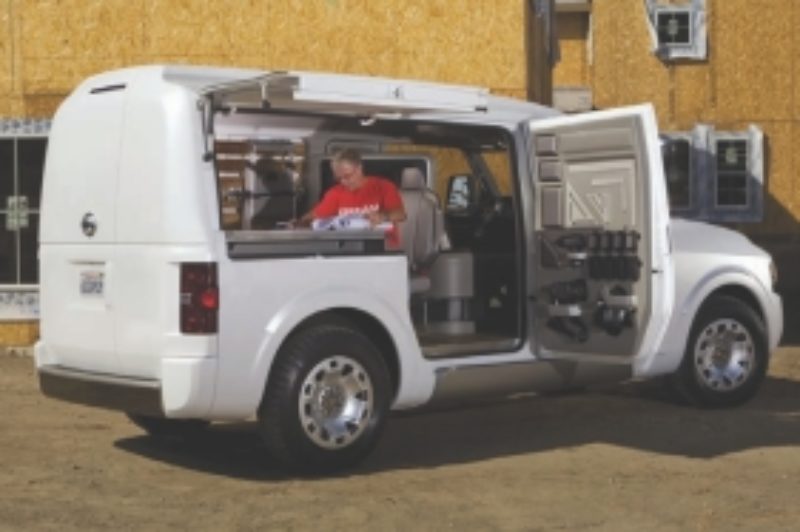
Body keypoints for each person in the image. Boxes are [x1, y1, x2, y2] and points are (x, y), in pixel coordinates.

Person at [295, 149, 407, 247]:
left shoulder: (383, 187)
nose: (343, 182)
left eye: (347, 176)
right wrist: (300, 222)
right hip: (349, 251)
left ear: (359, 168)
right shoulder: (336, 193)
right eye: (339, 178)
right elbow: (315, 215)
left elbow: (400, 214)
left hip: (383, 249)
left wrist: (383, 216)